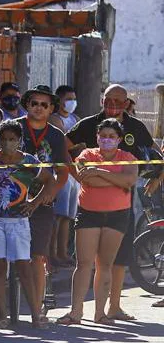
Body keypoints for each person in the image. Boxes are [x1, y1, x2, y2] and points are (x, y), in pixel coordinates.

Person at [65, 84, 164, 321]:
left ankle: (113, 307)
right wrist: (75, 174)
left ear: (126, 103)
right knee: (85, 262)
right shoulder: (89, 124)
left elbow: (156, 154)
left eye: (118, 102)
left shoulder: (135, 128)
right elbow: (64, 146)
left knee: (118, 259)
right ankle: (77, 311)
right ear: (102, 100)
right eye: (108, 100)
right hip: (89, 205)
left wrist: (157, 180)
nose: (112, 106)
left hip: (122, 205)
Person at [58, 119, 138, 325]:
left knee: (105, 264)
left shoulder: (127, 157)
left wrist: (100, 171)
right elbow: (87, 179)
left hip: (118, 215)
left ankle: (100, 313)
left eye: (112, 136)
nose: (107, 140)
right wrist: (114, 177)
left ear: (119, 139)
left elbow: (128, 181)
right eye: (103, 136)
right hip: (89, 213)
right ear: (97, 137)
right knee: (84, 263)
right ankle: (76, 312)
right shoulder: (87, 155)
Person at [0, 120, 53, 328]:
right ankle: (1, 314)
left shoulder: (29, 161)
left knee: (23, 267)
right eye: (4, 139)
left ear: (19, 141)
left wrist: (35, 203)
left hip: (19, 222)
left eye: (12, 139)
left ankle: (36, 314)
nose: (8, 143)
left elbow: (50, 181)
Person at [13, 86, 70, 319]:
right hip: (12, 200)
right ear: (27, 104)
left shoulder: (56, 135)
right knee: (8, 258)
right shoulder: (13, 128)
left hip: (43, 202)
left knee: (37, 255)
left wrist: (52, 190)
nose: (38, 108)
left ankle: (37, 309)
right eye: (34, 103)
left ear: (51, 109)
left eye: (44, 105)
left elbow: (63, 171)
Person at [50, 85, 80, 267]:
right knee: (57, 215)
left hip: (74, 171)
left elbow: (82, 143)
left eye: (74, 99)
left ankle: (63, 252)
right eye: (68, 99)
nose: (72, 102)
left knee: (68, 216)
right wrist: (77, 146)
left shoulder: (75, 119)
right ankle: (51, 253)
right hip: (60, 171)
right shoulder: (55, 119)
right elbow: (64, 143)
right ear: (59, 100)